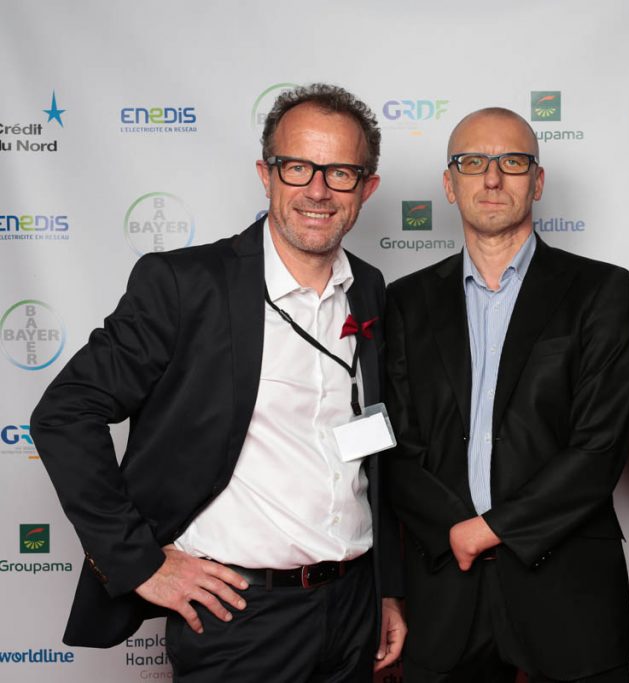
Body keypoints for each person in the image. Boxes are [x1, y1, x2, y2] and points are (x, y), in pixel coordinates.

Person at [30, 83, 406, 682]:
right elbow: (65, 412)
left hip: (354, 607)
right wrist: (140, 562)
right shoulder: (186, 285)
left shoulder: (370, 288)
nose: (317, 189)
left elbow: (374, 460)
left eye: (340, 172)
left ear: (368, 187)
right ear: (266, 174)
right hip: (242, 618)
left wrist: (386, 590)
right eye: (297, 167)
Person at [384, 107, 629, 682]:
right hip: (445, 590)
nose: (493, 178)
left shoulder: (602, 290)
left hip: (568, 592)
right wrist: (454, 531)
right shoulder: (405, 300)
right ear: (449, 184)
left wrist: (490, 528)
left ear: (538, 181)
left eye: (513, 162)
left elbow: (599, 448)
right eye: (473, 163)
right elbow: (395, 446)